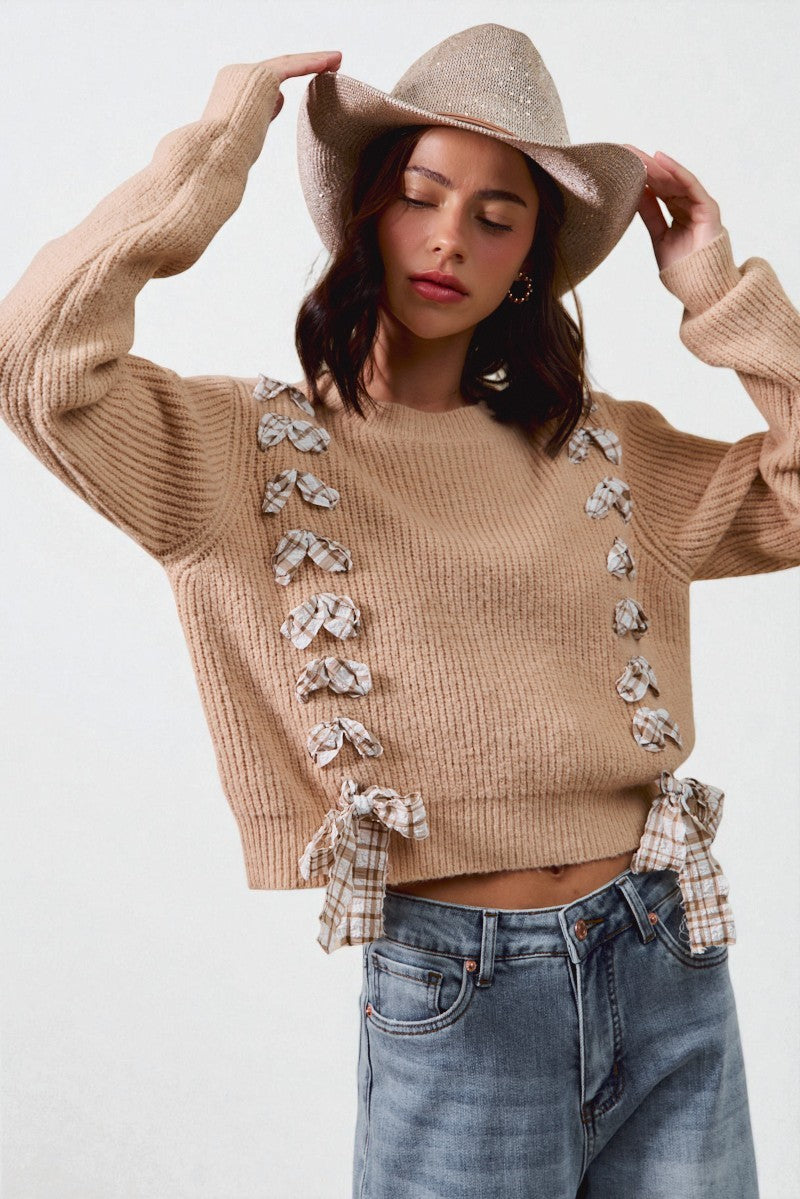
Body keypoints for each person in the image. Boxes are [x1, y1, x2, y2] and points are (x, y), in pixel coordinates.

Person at [1, 20, 796, 1197]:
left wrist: (719, 293)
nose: (448, 238)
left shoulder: (603, 454)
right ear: (366, 209)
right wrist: (213, 157)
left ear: (530, 255)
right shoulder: (238, 455)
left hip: (661, 941)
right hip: (458, 983)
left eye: (496, 213)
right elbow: (37, 360)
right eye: (421, 195)